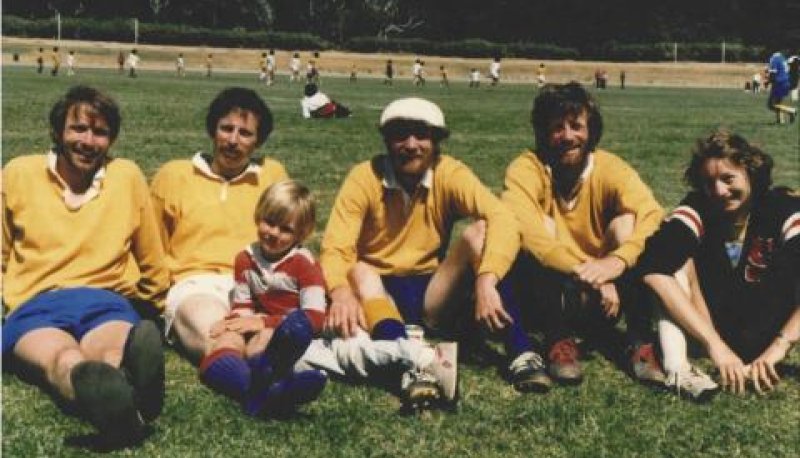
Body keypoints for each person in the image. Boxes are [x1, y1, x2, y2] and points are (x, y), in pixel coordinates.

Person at [320, 97, 527, 398]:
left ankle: (520, 350)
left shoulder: (449, 173)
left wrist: (486, 279)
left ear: (437, 141)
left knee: (480, 233)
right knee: (361, 270)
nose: (411, 144)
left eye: (422, 135)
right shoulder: (364, 177)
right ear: (387, 141)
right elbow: (336, 248)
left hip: (432, 290)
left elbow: (502, 217)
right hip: (378, 291)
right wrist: (340, 293)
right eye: (400, 135)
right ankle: (410, 364)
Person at [2, 86, 169, 444]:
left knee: (112, 353)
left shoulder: (126, 176)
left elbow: (152, 254)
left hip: (105, 300)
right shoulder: (19, 173)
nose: (88, 141)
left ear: (111, 140)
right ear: (57, 131)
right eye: (78, 129)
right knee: (64, 360)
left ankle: (124, 392)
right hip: (36, 307)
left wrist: (154, 306)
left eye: (100, 132)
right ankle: (120, 404)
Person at [501, 82, 665, 389]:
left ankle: (639, 341)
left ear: (591, 130)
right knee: (542, 226)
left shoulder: (611, 168)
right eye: (556, 128)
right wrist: (592, 273)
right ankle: (557, 340)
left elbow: (654, 216)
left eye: (576, 126)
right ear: (543, 133)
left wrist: (617, 261)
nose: (567, 137)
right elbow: (526, 228)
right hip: (550, 292)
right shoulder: (527, 167)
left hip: (602, 298)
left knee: (627, 224)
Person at [639, 129, 800, 400]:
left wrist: (778, 349)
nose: (719, 191)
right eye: (709, 182)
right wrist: (716, 347)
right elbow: (652, 267)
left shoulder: (781, 207)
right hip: (710, 332)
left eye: (728, 179)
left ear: (751, 173)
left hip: (770, 331)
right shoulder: (698, 207)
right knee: (674, 262)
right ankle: (678, 367)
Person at [150, 87, 288, 366]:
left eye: (245, 133)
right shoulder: (174, 175)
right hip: (196, 285)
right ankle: (244, 382)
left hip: (257, 284)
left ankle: (270, 383)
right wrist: (156, 299)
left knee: (269, 340)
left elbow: (289, 238)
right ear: (213, 130)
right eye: (226, 129)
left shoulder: (272, 175)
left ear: (258, 142)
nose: (233, 141)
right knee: (223, 336)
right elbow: (152, 245)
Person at [202, 180, 329, 416]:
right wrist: (234, 323)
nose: (273, 233)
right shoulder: (245, 258)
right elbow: (242, 304)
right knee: (225, 339)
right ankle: (264, 393)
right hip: (257, 321)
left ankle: (260, 387)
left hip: (287, 329)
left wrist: (263, 323)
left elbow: (315, 317)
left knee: (264, 340)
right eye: (269, 222)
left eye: (285, 229)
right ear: (259, 216)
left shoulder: (305, 264)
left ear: (301, 233)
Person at [766, 51, 797, 124]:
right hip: (786, 82)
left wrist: (768, 82)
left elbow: (773, 74)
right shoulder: (783, 58)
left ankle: (791, 111)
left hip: (779, 83)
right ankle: (780, 121)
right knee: (778, 103)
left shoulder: (774, 59)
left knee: (771, 105)